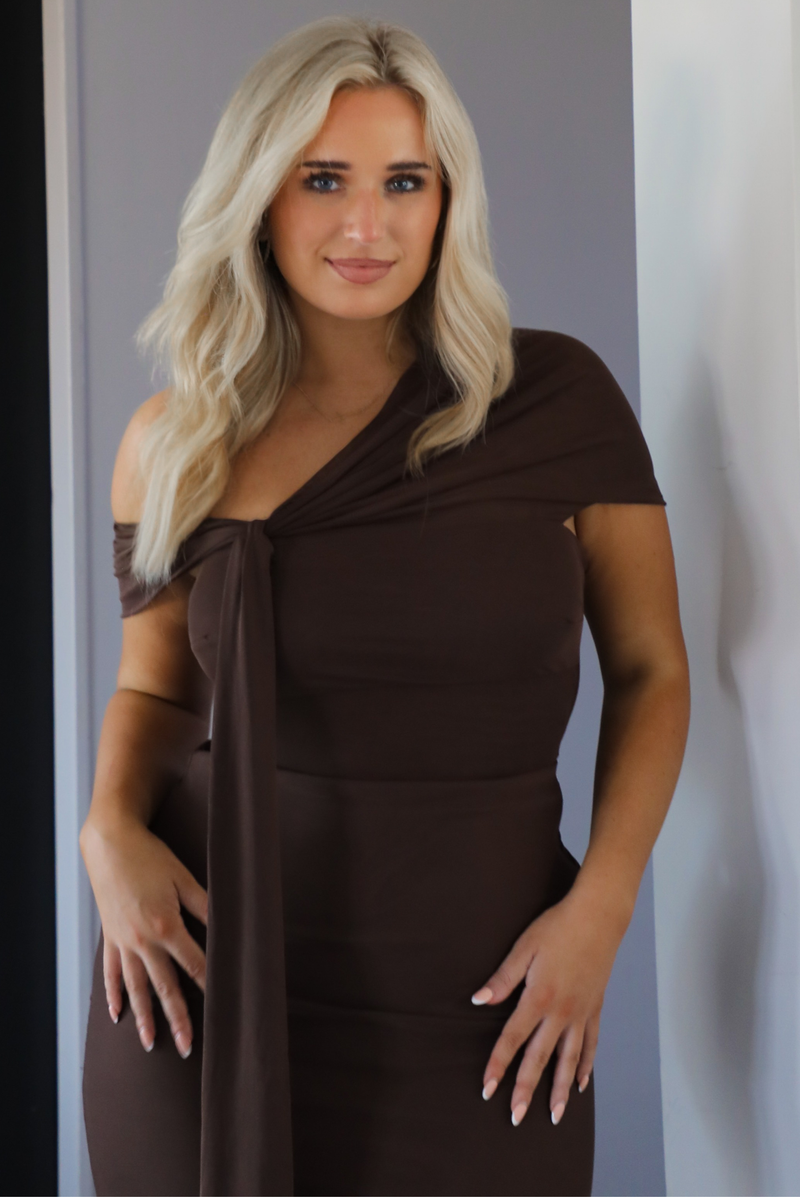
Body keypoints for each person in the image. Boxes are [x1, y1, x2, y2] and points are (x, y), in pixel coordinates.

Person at [79, 15, 690, 1197]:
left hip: (489, 998)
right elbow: (155, 686)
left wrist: (600, 909)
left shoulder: (555, 401)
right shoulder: (176, 440)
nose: (367, 225)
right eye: (323, 181)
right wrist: (108, 832)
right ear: (258, 198)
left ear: (446, 200)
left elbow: (653, 670)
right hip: (206, 983)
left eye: (403, 181)